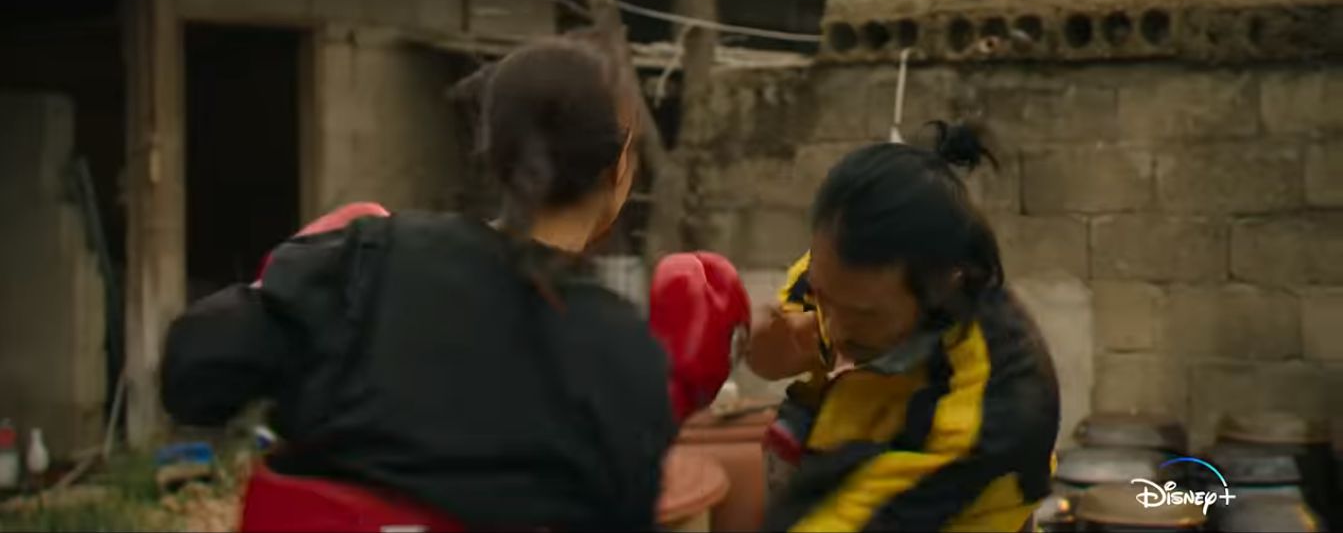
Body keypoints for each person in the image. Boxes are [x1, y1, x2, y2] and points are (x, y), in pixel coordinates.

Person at [160, 33, 749, 531]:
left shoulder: (366, 259)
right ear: (620, 170)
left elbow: (194, 375)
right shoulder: (623, 355)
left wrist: (283, 296)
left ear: (493, 152)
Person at [747, 122, 1060, 533]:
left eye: (863, 315)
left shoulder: (996, 408)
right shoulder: (843, 274)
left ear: (943, 285)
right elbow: (778, 350)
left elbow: (843, 522)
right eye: (824, 299)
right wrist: (766, 345)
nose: (834, 330)